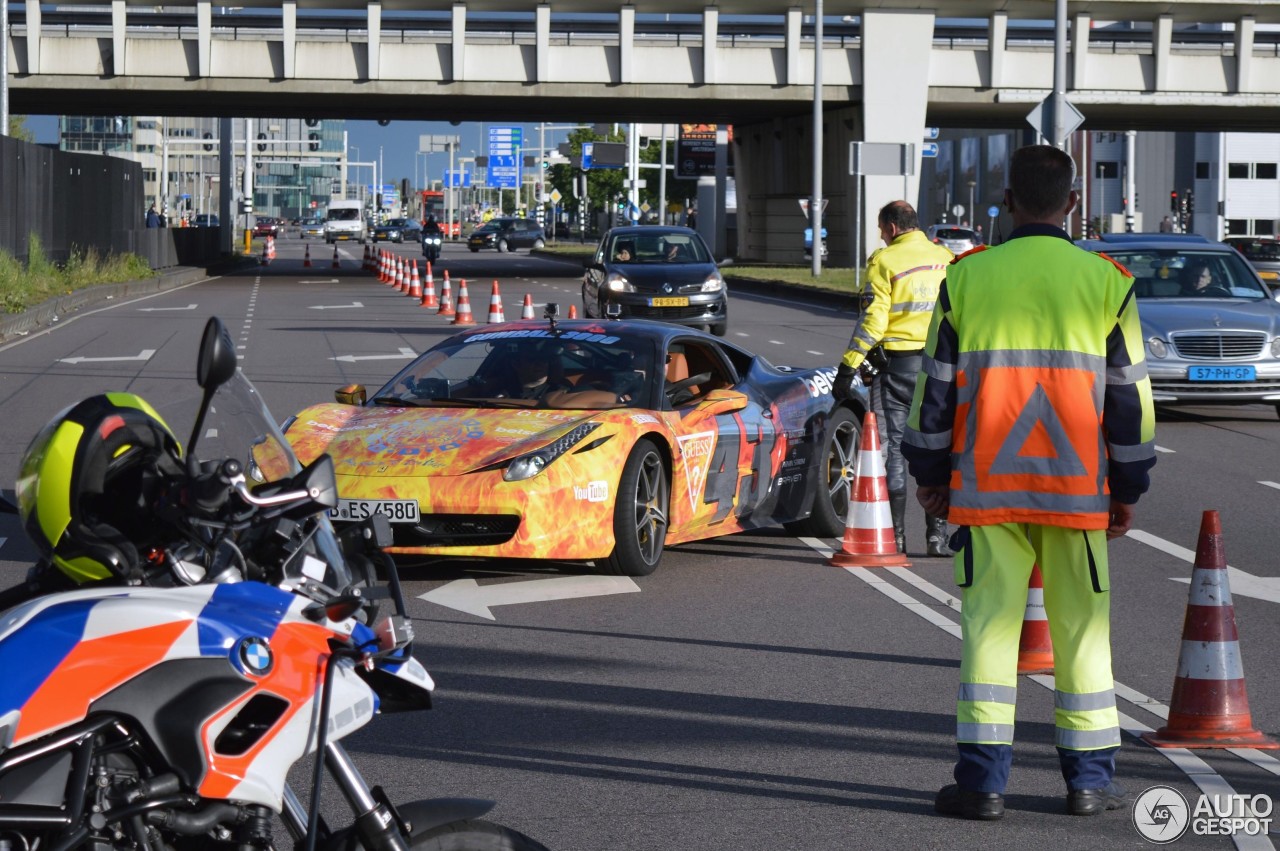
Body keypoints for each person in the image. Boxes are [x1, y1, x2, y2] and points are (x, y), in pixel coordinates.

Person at [901, 145, 1157, 821]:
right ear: (1075, 203)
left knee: (988, 636)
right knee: (1083, 636)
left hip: (987, 496)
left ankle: (982, 784)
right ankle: (1091, 782)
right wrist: (1126, 488)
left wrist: (931, 477)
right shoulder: (1108, 281)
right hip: (1079, 498)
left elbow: (934, 390)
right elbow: (1129, 400)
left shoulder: (968, 278)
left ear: (1006, 202)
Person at [832, 200, 954, 557]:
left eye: (882, 230)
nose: (881, 237)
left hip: (896, 369)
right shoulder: (946, 259)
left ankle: (897, 539)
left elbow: (874, 320)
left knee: (894, 454)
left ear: (893, 227)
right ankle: (936, 538)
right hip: (940, 371)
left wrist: (848, 366)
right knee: (940, 448)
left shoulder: (884, 262)